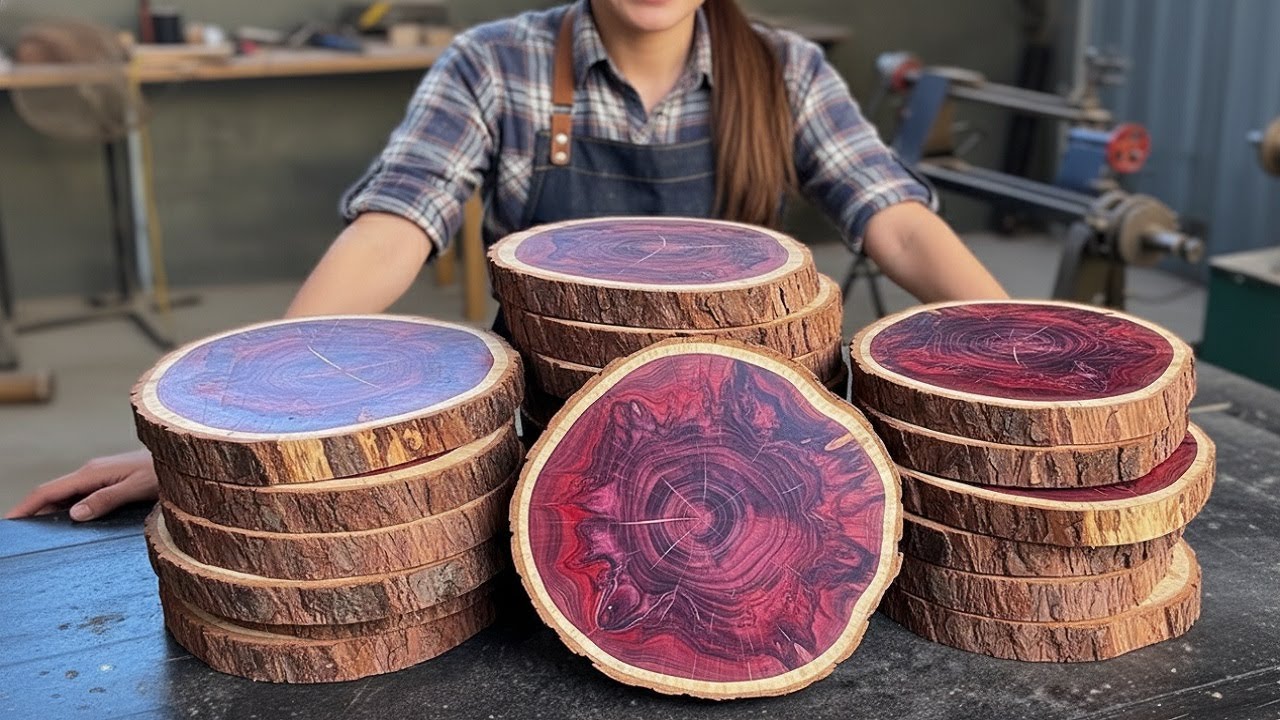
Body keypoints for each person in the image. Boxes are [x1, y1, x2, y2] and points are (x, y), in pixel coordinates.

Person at [6, 0, 1006, 522]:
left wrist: (1028, 367)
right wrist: (229, 430)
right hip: (544, 438)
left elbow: (901, 228)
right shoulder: (495, 63)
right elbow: (390, 232)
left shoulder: (787, 70)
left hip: (758, 443)